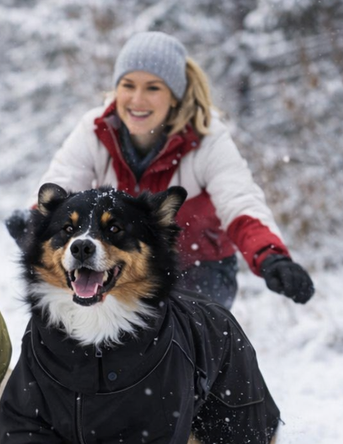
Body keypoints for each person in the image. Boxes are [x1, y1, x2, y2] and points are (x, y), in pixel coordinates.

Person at [21, 31, 313, 309]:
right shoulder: (96, 130)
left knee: (187, 332)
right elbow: (61, 184)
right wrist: (33, 221)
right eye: (128, 85)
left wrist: (271, 257)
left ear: (175, 95)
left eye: (153, 88)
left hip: (200, 267)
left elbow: (241, 204)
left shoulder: (207, 139)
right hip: (117, 264)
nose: (137, 99)